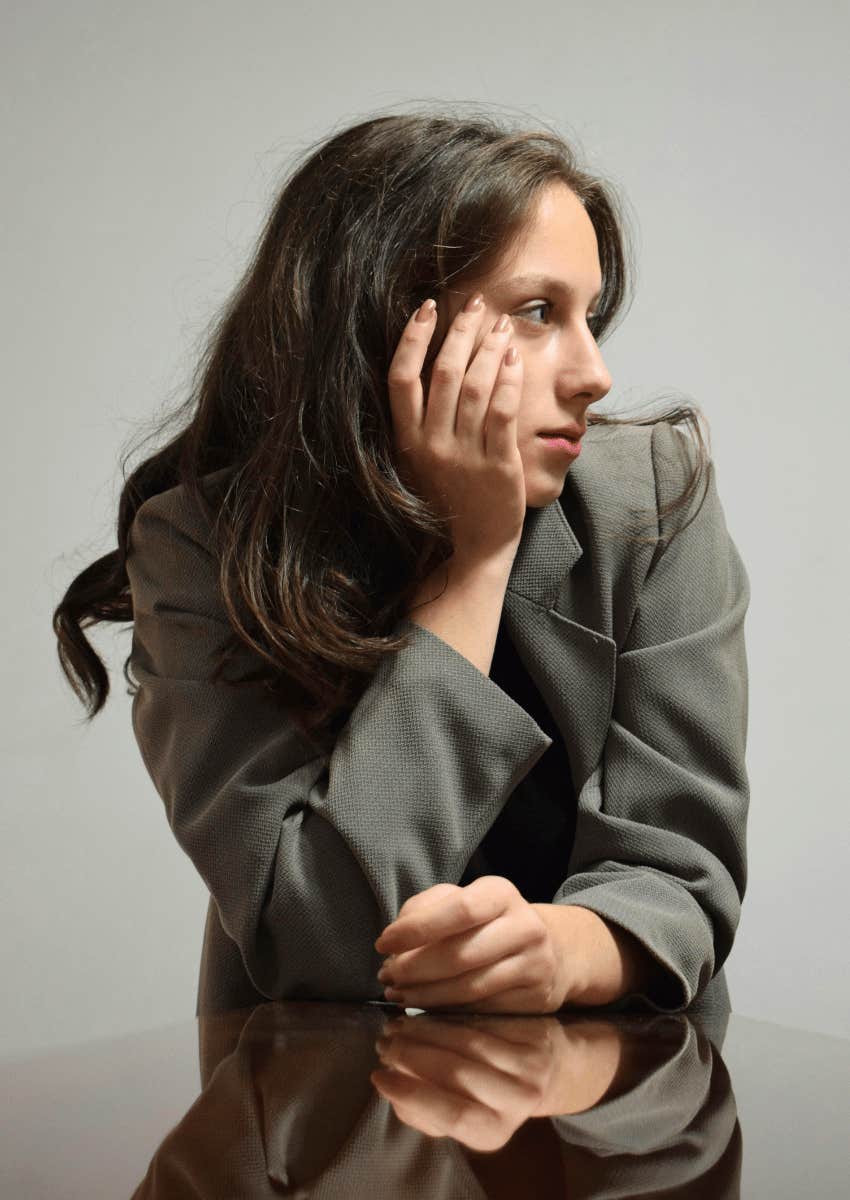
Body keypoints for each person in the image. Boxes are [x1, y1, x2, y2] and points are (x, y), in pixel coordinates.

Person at [52, 107, 750, 1020]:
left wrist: (567, 951)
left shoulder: (654, 502)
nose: (594, 374)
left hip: (623, 1111)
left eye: (590, 317)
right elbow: (317, 936)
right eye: (538, 312)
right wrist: (474, 564)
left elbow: (683, 871)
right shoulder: (197, 549)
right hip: (314, 1120)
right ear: (392, 326)